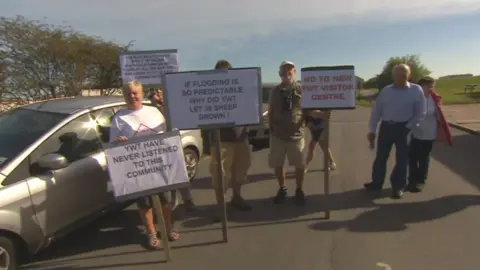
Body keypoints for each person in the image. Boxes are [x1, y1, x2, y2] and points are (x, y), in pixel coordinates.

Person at [109, 80, 179, 250]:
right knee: (145, 203)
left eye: (135, 93)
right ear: (124, 96)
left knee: (166, 201)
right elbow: (112, 145)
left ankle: (168, 228)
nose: (132, 96)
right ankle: (152, 233)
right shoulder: (119, 118)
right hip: (138, 167)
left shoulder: (154, 111)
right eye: (128, 93)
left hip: (160, 163)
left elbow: (167, 131)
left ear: (141, 93)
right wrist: (119, 142)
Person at [365, 64, 426, 199]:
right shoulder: (386, 91)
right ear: (393, 75)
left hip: (404, 128)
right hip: (386, 127)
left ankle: (398, 187)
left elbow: (420, 112)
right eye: (398, 74)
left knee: (402, 160)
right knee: (381, 157)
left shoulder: (416, 90)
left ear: (409, 75)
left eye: (404, 73)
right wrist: (372, 130)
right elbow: (376, 112)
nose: (401, 76)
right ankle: (376, 183)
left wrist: (409, 126)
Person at [209, 59, 252, 217]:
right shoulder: (210, 92)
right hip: (222, 141)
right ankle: (221, 206)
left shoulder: (240, 89)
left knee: (240, 172)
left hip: (241, 139)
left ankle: (237, 197)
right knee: (220, 175)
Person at [149, 88, 197, 212]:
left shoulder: (171, 105)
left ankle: (188, 200)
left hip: (172, 143)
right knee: (167, 176)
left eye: (160, 92)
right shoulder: (152, 108)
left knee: (180, 173)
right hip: (158, 146)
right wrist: (155, 103)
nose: (158, 94)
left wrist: (163, 104)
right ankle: (172, 203)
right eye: (156, 92)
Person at [268, 60, 308, 206]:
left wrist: (301, 123)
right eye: (284, 71)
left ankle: (299, 189)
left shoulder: (301, 89)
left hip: (296, 135)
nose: (287, 73)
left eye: (289, 70)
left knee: (300, 164)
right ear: (279, 74)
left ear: (294, 72)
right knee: (278, 164)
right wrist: (271, 127)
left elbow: (306, 109)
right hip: (278, 135)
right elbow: (271, 111)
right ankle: (282, 188)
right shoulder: (275, 91)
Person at [407, 76, 453, 192]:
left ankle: (421, 181)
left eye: (432, 86)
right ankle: (411, 180)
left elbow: (439, 116)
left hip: (429, 133)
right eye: (428, 86)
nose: (431, 88)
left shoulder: (434, 99)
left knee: (423, 158)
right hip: (415, 132)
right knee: (412, 158)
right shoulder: (414, 98)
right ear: (420, 87)